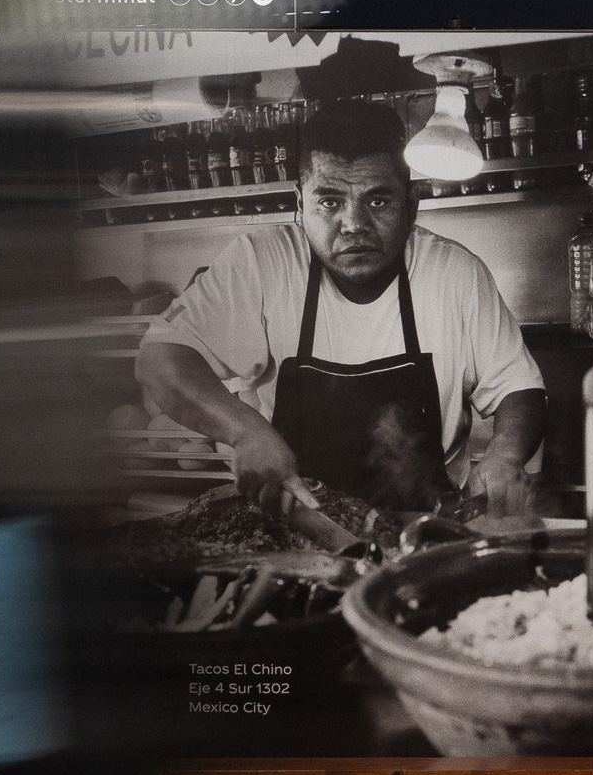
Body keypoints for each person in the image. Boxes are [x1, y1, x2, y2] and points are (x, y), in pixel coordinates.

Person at [137, 99, 546, 518]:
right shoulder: (262, 263)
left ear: (412, 204)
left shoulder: (454, 273)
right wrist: (245, 433)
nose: (354, 224)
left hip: (423, 531)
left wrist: (505, 455)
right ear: (300, 204)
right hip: (293, 527)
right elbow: (160, 359)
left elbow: (517, 386)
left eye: (378, 201)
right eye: (329, 202)